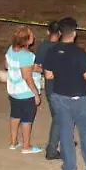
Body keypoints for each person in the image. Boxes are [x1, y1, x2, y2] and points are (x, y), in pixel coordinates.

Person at [41, 17, 86, 170]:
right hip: (79, 98)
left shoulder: (52, 50)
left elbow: (48, 75)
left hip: (59, 96)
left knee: (65, 133)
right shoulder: (79, 53)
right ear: (75, 33)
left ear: (59, 33)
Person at [6, 25, 44, 154]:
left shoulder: (11, 50)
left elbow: (7, 65)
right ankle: (26, 146)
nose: (34, 36)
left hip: (13, 90)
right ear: (26, 40)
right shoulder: (27, 56)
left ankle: (13, 142)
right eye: (31, 35)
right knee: (27, 119)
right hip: (25, 93)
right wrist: (36, 94)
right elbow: (27, 77)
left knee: (15, 115)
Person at [34, 21, 62, 160]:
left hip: (50, 87)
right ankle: (51, 150)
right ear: (60, 33)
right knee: (59, 118)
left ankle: (63, 140)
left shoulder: (43, 46)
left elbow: (36, 67)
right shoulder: (62, 48)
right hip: (61, 88)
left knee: (57, 116)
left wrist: (46, 72)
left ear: (47, 32)